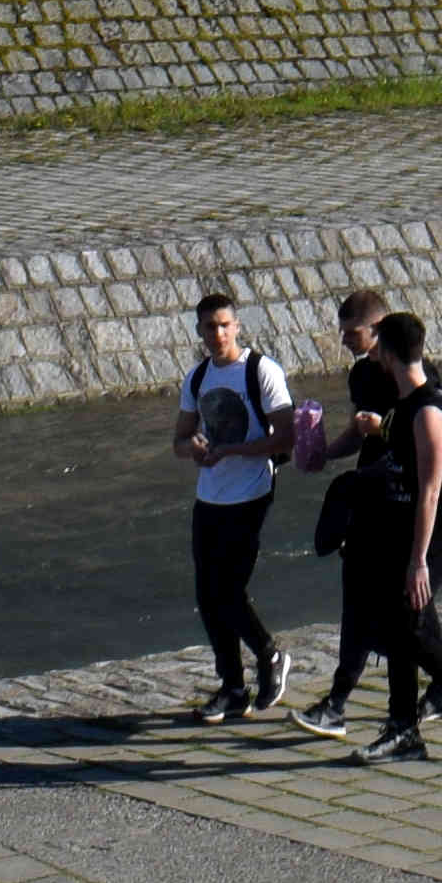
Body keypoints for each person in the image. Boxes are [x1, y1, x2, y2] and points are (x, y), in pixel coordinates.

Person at [330, 348, 442, 762]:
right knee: (396, 628)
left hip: (431, 531)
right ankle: (403, 730)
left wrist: (418, 562)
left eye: (379, 351)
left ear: (391, 355)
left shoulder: (430, 408)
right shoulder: (401, 401)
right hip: (394, 525)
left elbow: (430, 493)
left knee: (407, 626)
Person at [167, 290, 292, 724]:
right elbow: (180, 440)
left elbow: (286, 437)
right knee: (207, 594)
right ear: (199, 331)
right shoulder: (197, 378)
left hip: (252, 492)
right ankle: (232, 686)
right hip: (210, 496)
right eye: (209, 327)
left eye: (224, 325)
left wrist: (236, 450)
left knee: (228, 590)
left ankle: (269, 654)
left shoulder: (261, 371)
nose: (218, 334)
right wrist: (194, 447)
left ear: (237, 326)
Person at [287, 287, 394, 730]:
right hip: (367, 492)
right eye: (343, 333)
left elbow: (429, 432)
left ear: (377, 329)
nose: (346, 340)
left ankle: (338, 704)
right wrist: (324, 452)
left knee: (378, 608)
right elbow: (356, 431)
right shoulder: (360, 376)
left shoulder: (407, 373)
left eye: (353, 333)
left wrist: (385, 427)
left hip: (396, 498)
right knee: (376, 607)